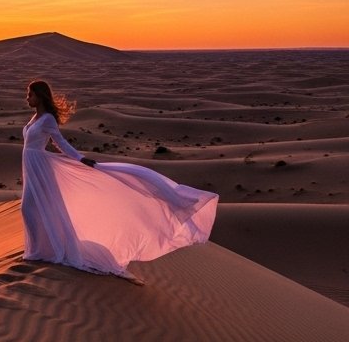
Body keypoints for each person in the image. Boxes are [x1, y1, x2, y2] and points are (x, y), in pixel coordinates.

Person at [21, 80, 217, 278]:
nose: (27, 98)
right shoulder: (35, 117)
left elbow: (61, 143)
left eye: (31, 94)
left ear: (40, 95)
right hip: (31, 166)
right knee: (35, 208)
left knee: (29, 208)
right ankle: (40, 250)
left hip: (41, 167)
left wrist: (80, 159)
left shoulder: (47, 120)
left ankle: (38, 252)